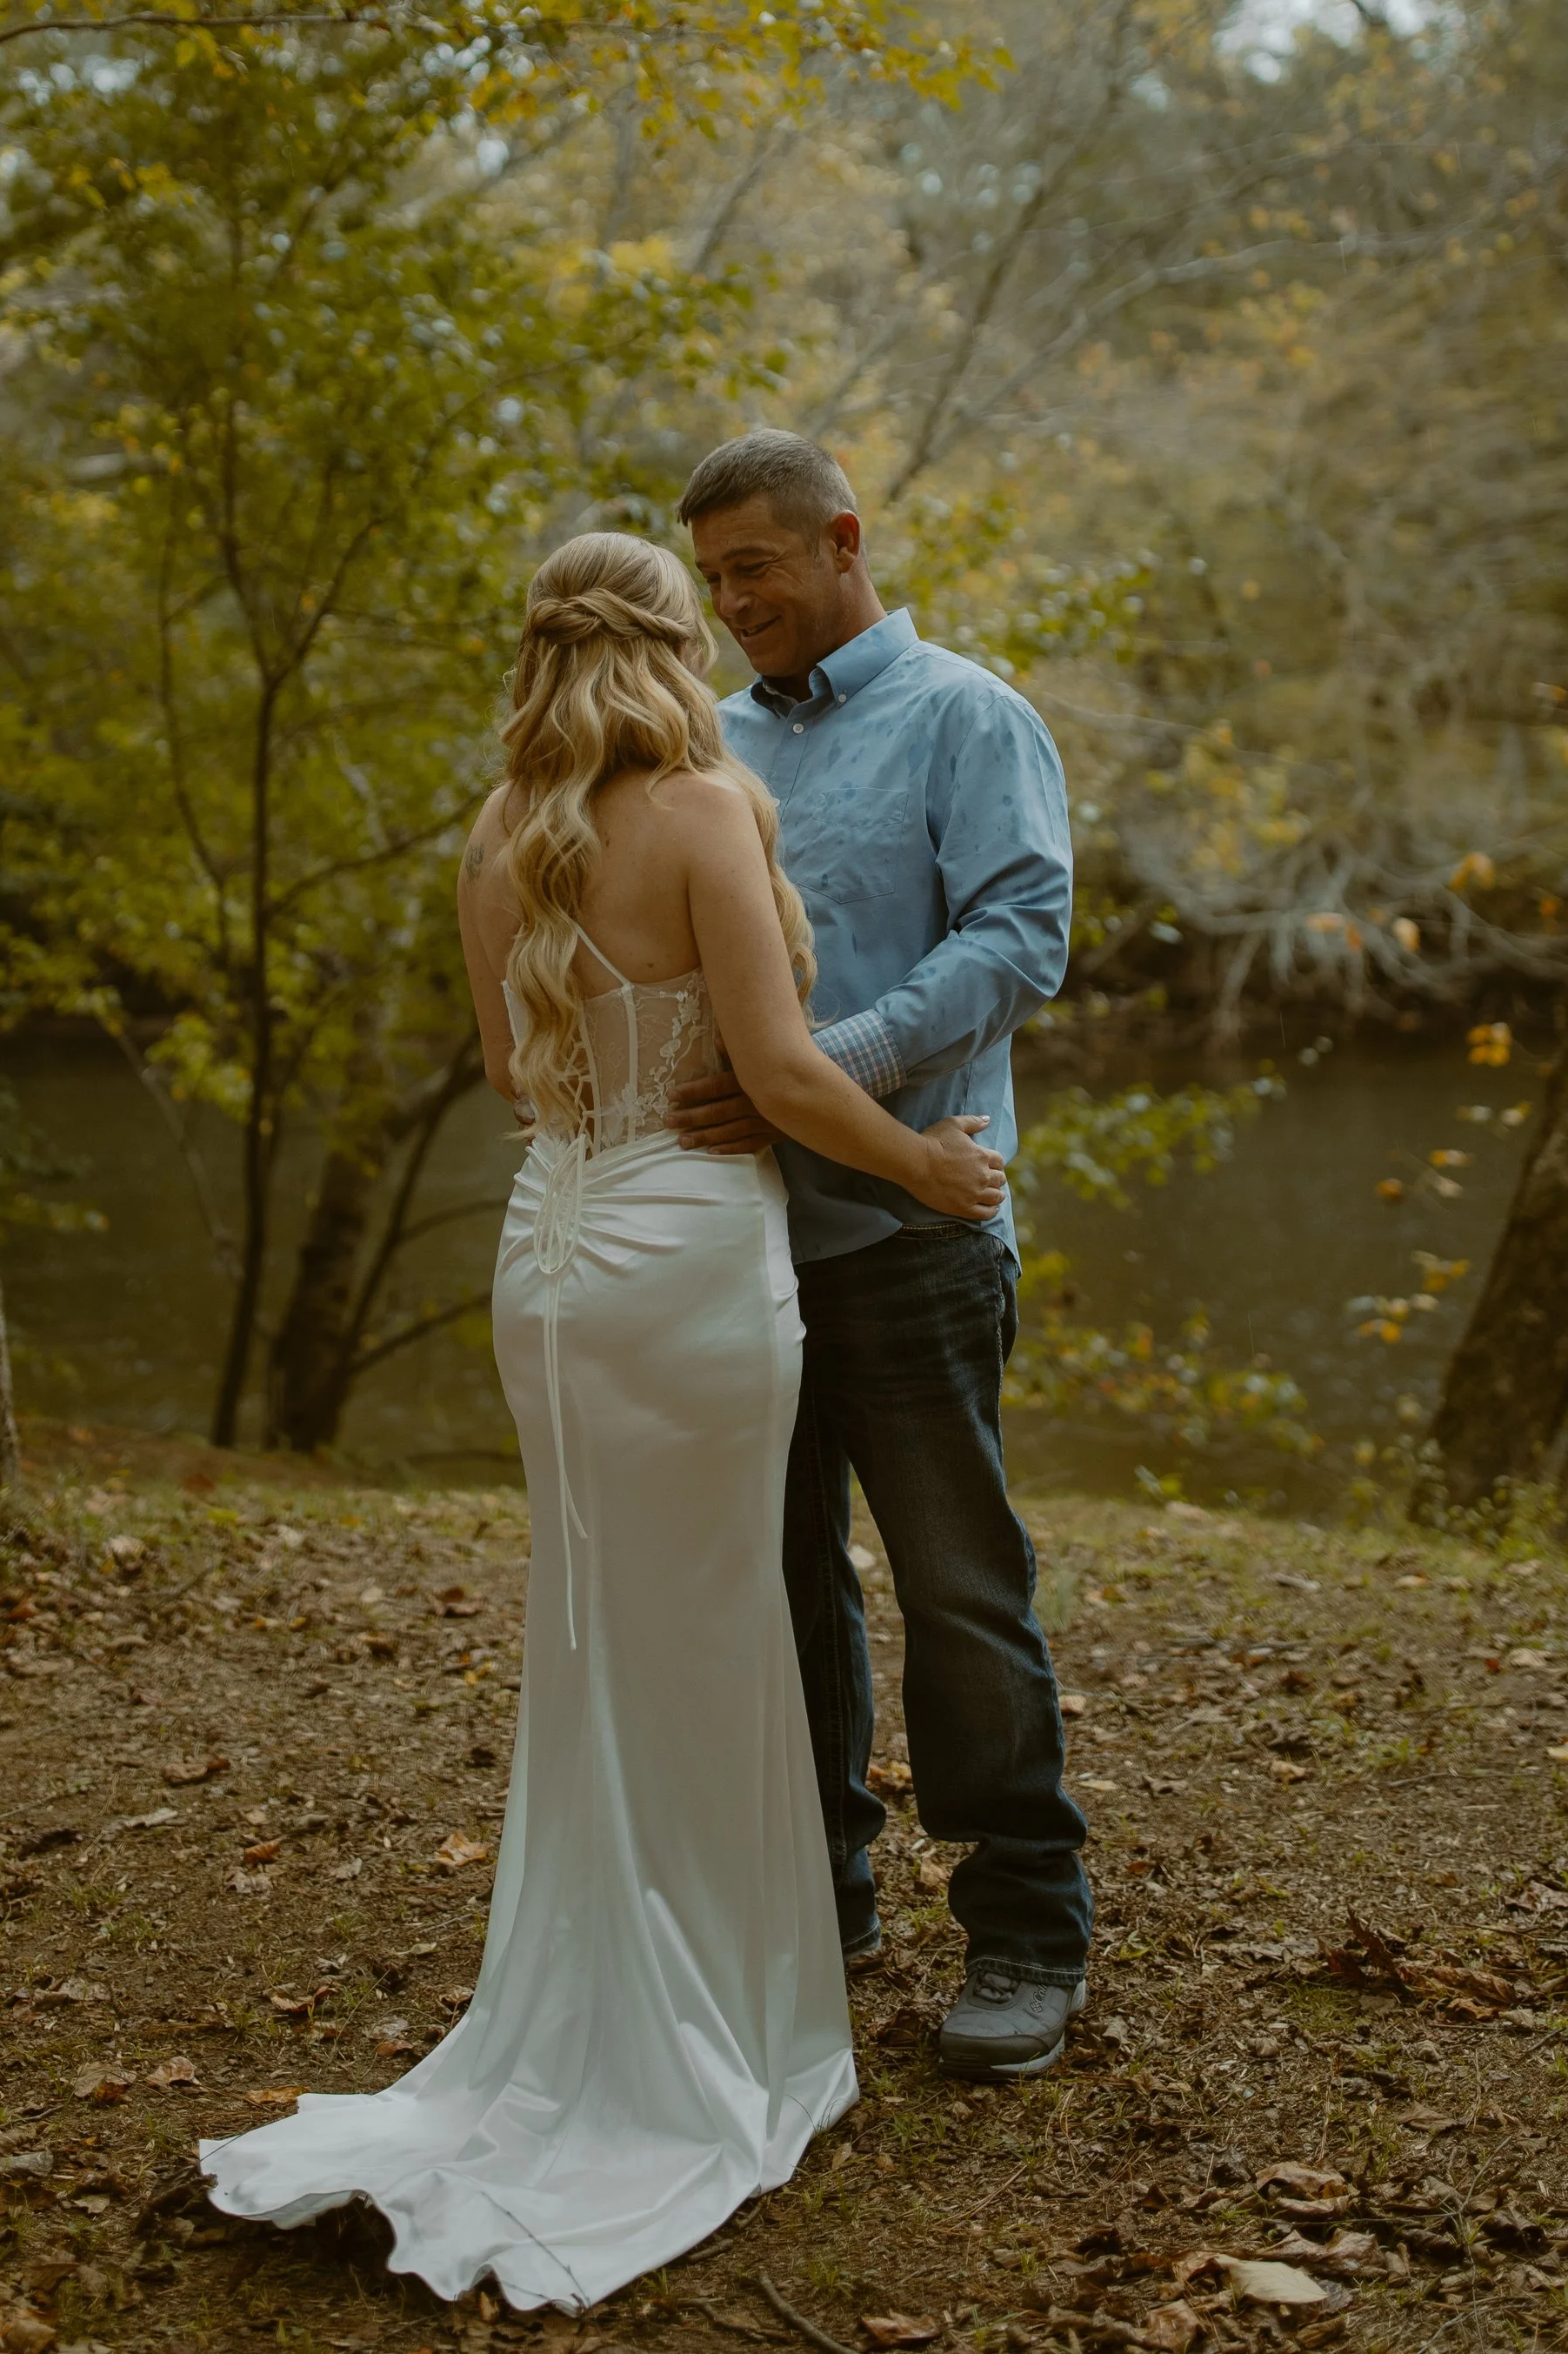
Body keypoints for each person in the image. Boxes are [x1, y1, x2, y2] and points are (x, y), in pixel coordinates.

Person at [199, 532, 1006, 2309]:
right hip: (687, 1265)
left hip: (551, 1261)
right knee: (712, 1627)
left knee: (594, 1640)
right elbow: (778, 1072)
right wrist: (925, 1167)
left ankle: (597, 1991)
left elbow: (513, 1074)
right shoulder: (706, 809)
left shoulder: (502, 829)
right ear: (670, 645)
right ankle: (709, 2020)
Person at [671, 430, 1090, 2083]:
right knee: (782, 1583)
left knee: (959, 1587)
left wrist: (824, 1068)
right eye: (711, 577)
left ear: (842, 540)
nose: (730, 603)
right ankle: (820, 1892)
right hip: (740, 1241)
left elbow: (1021, 939)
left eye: (754, 567)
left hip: (915, 1229)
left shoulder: (967, 715)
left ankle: (1026, 1923)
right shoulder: (706, 744)